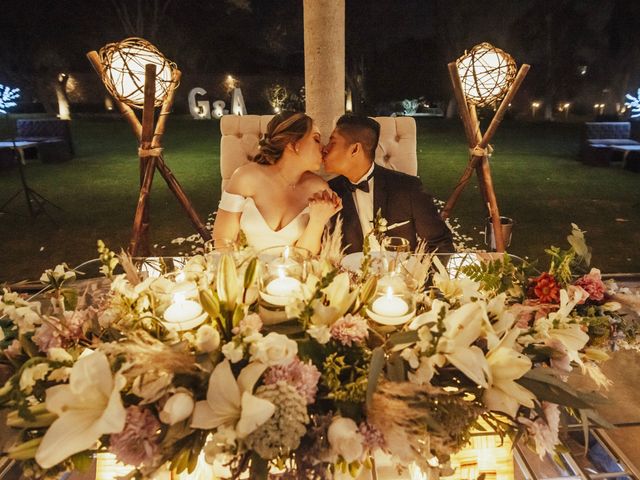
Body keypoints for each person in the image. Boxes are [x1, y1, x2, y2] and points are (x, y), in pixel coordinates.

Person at [212, 111, 341, 254]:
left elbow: (307, 257)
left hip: (294, 274)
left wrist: (317, 221)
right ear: (293, 144)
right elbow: (222, 242)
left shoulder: (319, 189)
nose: (323, 147)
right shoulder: (245, 177)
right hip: (243, 272)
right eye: (316, 139)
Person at [323, 115, 453, 254]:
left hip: (400, 273)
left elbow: (440, 244)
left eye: (332, 142)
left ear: (355, 149)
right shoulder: (329, 192)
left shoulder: (408, 188)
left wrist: (422, 275)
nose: (324, 149)